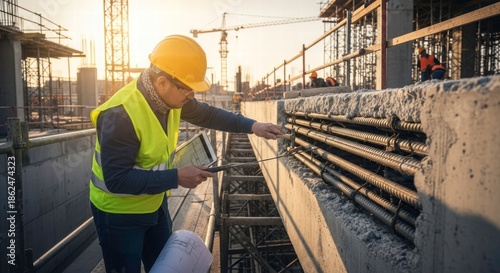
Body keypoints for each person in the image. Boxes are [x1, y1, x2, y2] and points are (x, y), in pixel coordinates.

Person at [89, 34, 283, 273]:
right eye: (188, 89)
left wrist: (253, 126)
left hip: (154, 204)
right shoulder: (120, 115)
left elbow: (208, 114)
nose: (192, 96)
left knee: (164, 266)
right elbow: (117, 180)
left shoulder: (169, 98)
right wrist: (177, 177)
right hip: (119, 214)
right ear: (162, 82)